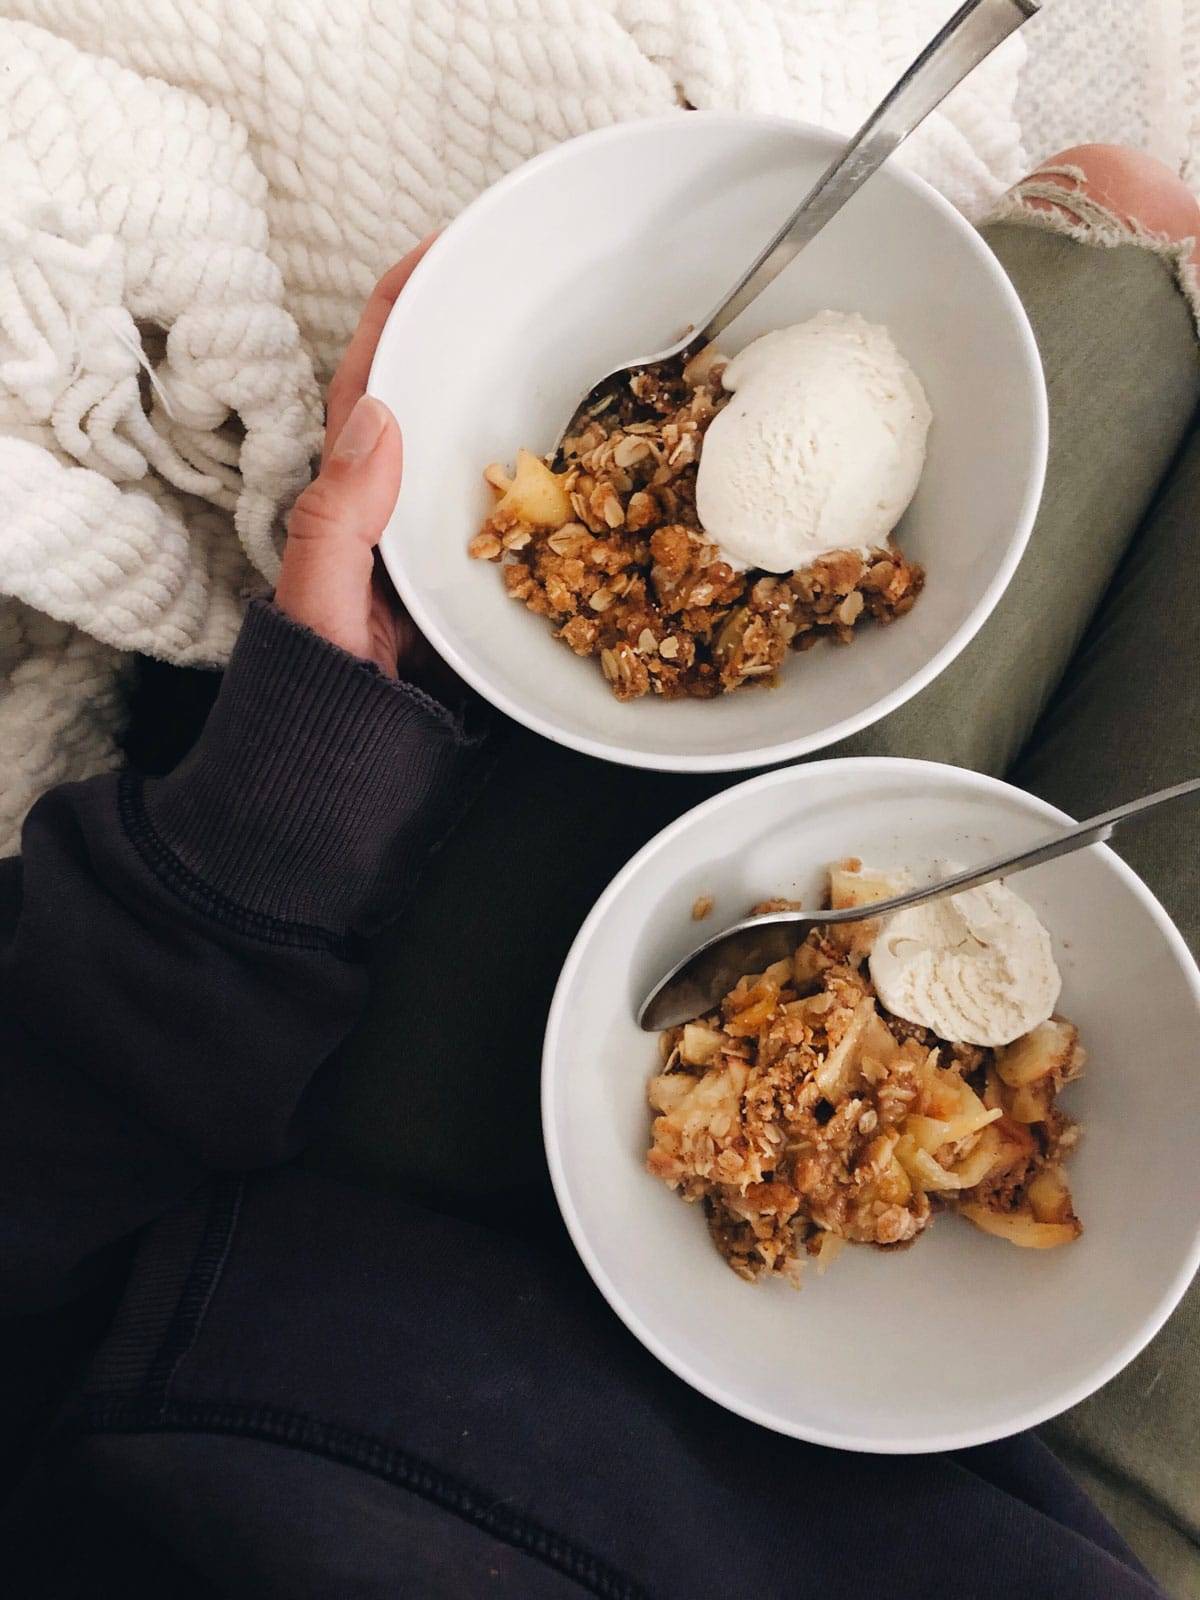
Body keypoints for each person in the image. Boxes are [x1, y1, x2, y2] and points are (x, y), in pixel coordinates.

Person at [2, 145, 1198, 1598]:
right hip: (1039, 1515)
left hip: (312, 1275)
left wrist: (282, 816)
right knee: (1135, 255)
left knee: (1114, 242)